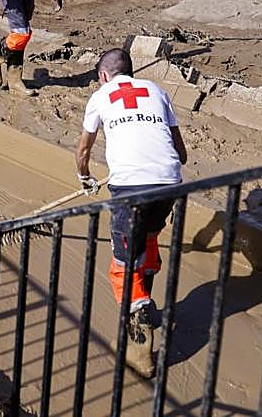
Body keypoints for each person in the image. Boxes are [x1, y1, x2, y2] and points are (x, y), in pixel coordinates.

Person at [76, 48, 188, 379]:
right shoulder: (157, 90)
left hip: (130, 190)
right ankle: (143, 302)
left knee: (122, 268)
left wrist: (85, 177)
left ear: (103, 76)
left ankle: (140, 347)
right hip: (168, 183)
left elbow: (83, 150)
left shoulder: (100, 96)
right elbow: (181, 154)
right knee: (148, 240)